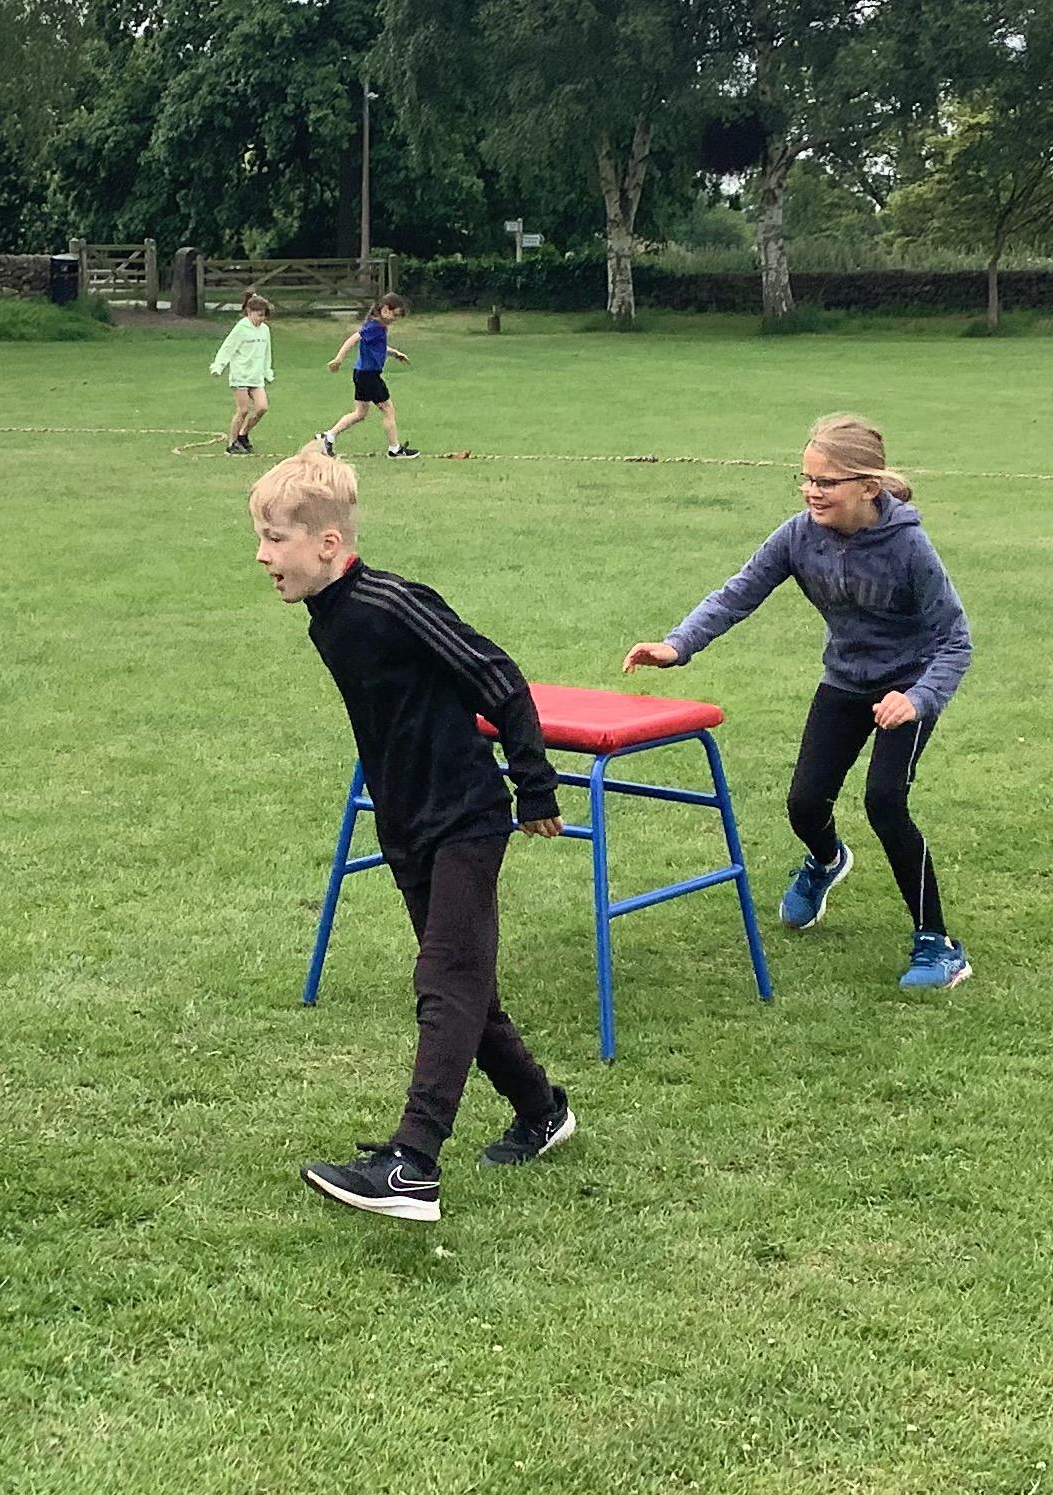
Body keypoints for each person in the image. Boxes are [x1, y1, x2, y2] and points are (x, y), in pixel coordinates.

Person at [253, 451, 572, 1223]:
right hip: (408, 822)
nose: (262, 555)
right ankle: (542, 1110)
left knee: (445, 981)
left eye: (274, 538)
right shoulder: (328, 615)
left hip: (465, 817)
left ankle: (413, 1163)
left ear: (328, 543)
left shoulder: (392, 604)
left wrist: (534, 787)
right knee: (468, 991)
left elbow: (500, 678)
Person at [623, 412, 975, 992]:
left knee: (885, 803)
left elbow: (955, 639)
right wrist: (677, 645)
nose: (812, 491)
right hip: (845, 681)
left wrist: (918, 699)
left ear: (868, 485)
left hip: (907, 688)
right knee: (805, 805)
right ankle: (827, 860)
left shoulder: (909, 547)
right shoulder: (798, 536)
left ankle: (938, 945)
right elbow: (738, 593)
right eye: (806, 479)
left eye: (826, 482)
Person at [318, 294, 417, 458]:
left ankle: (328, 437)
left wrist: (395, 353)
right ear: (385, 309)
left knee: (360, 413)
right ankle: (395, 449)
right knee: (388, 409)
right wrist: (339, 359)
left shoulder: (378, 327)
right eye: (395, 315)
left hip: (362, 374)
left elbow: (378, 347)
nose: (395, 319)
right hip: (369, 376)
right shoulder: (374, 327)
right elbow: (354, 339)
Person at [212, 291, 276, 455]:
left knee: (262, 408)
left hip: (256, 377)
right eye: (259, 315)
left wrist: (267, 371)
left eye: (264, 316)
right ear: (249, 312)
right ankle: (231, 444)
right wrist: (218, 366)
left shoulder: (265, 330)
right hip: (240, 376)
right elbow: (227, 348)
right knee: (243, 410)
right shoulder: (241, 328)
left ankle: (243, 434)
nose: (262, 319)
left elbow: (267, 352)